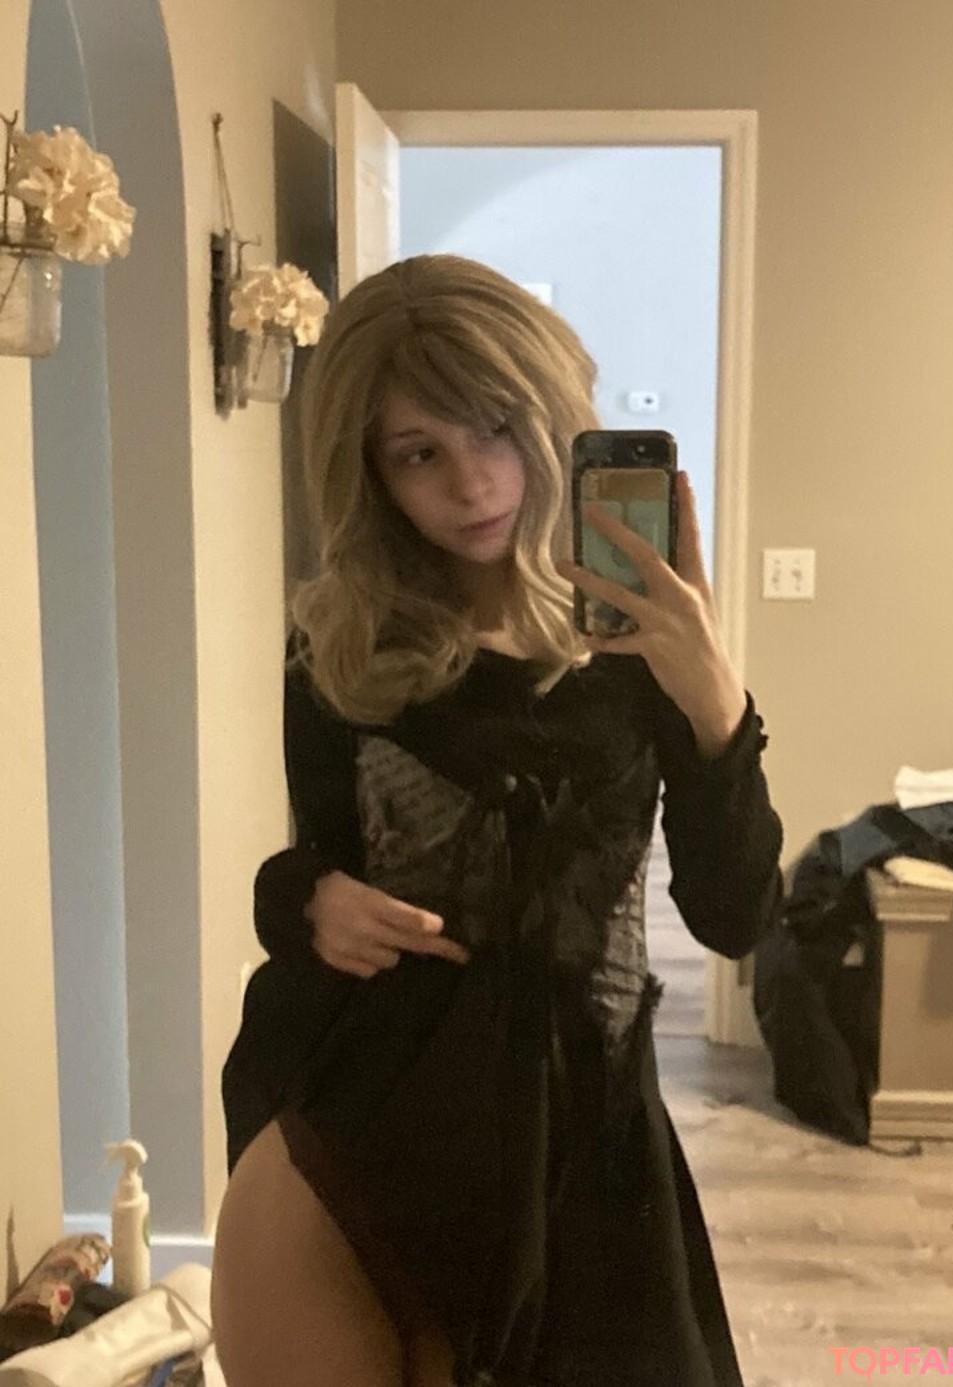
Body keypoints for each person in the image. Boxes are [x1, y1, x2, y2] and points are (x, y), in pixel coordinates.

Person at [211, 254, 784, 1387]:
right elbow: (312, 865)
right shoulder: (338, 644)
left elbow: (736, 915)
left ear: (549, 415)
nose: (471, 483)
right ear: (370, 472)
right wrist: (309, 900)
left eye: (493, 429)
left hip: (586, 1145)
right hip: (358, 1119)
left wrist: (715, 701)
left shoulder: (638, 645)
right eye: (418, 452)